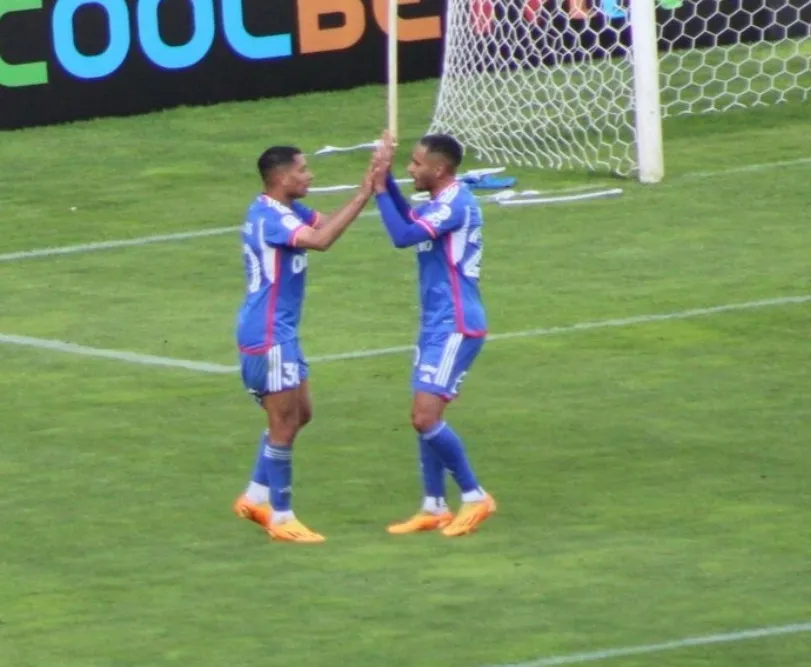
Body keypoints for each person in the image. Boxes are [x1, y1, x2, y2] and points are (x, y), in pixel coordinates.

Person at [232, 145, 378, 544]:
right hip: (268, 335)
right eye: (303, 169)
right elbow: (322, 240)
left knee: (301, 415)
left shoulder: (283, 209)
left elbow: (326, 224)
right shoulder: (270, 218)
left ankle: (255, 496)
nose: (310, 175)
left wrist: (366, 191)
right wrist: (365, 192)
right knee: (282, 424)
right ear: (282, 178)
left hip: (281, 332)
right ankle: (282, 517)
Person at [371, 131, 496, 537]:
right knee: (427, 417)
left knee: (424, 417)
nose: (412, 169)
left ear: (439, 169)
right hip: (436, 325)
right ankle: (433, 505)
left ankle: (475, 497)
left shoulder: (456, 204)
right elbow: (411, 220)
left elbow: (402, 236)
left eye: (416, 163)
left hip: (456, 325)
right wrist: (385, 176)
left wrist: (378, 190)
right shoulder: (440, 202)